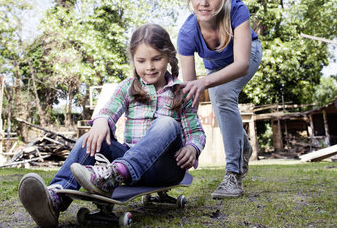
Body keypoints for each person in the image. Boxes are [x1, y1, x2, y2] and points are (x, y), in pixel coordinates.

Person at [18, 23, 206, 228]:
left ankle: (116, 173)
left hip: (165, 169)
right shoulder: (128, 87)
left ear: (168, 57)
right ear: (133, 60)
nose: (149, 67)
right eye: (141, 61)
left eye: (156, 59)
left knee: (167, 123)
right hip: (128, 165)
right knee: (88, 139)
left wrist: (192, 147)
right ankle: (54, 200)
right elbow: (109, 111)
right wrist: (100, 122)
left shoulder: (182, 91)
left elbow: (196, 132)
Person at [177, 0, 262, 199]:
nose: (203, 3)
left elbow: (242, 64)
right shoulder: (187, 33)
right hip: (215, 68)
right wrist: (188, 139)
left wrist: (204, 82)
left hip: (246, 55)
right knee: (221, 107)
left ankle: (233, 174)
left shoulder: (237, 10)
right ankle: (243, 146)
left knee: (223, 95)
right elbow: (190, 88)